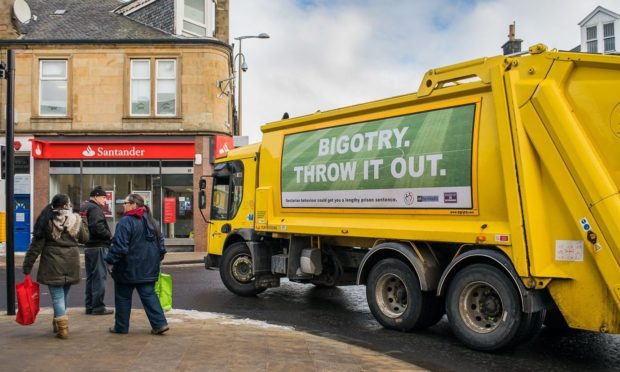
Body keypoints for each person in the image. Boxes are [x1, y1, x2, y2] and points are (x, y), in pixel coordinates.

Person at [23, 194, 89, 339]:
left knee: (58, 295)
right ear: (66, 205)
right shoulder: (76, 220)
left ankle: (62, 329)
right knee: (64, 294)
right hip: (71, 262)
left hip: (52, 263)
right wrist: (83, 222)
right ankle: (59, 322)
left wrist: (27, 267)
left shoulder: (47, 220)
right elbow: (85, 239)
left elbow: (35, 247)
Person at [105, 193, 168, 335]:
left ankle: (121, 327)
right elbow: (162, 247)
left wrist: (110, 260)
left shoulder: (125, 221)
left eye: (125, 203)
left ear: (133, 205)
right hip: (149, 269)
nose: (123, 205)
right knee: (149, 295)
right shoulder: (153, 221)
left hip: (127, 269)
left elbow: (120, 247)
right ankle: (160, 324)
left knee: (123, 297)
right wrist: (155, 261)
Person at [80, 186, 114, 315]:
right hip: (98, 246)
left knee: (91, 277)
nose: (105, 200)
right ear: (95, 196)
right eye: (103, 197)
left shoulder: (84, 207)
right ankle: (98, 307)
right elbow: (97, 227)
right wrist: (109, 236)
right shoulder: (95, 208)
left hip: (89, 246)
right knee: (99, 277)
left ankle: (89, 306)